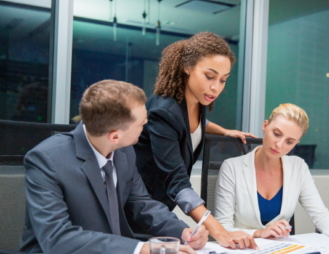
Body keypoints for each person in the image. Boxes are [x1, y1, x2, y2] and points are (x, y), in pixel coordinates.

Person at [20, 80, 208, 254]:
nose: (146, 127)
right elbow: (57, 238)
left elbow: (142, 204)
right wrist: (144, 249)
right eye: (142, 124)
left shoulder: (124, 152)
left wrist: (182, 231)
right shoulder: (46, 160)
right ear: (115, 136)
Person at [133, 32, 257, 249]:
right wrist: (220, 232)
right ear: (187, 67)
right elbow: (177, 180)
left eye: (223, 80)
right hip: (140, 207)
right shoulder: (164, 111)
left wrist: (224, 131)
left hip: (161, 205)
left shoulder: (195, 99)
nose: (216, 87)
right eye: (210, 76)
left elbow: (194, 124)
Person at [214, 103, 329, 240]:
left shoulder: (298, 167)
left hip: (279, 248)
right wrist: (259, 233)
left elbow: (320, 214)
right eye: (276, 134)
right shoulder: (232, 167)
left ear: (296, 144)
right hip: (241, 249)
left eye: (289, 142)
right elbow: (223, 228)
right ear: (265, 126)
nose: (279, 145)